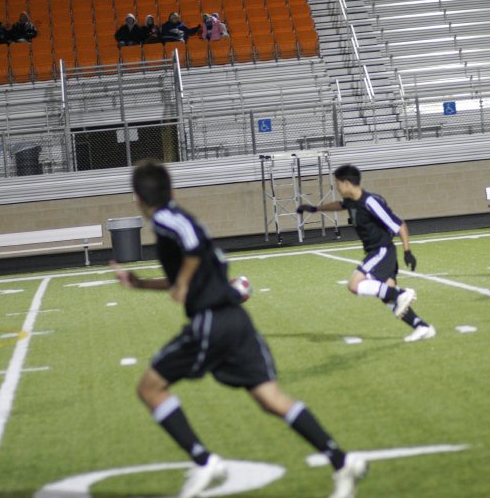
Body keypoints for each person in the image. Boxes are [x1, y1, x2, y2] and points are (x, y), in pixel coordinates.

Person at [112, 161, 366, 498]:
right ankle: (341, 460)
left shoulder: (164, 219)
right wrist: (142, 284)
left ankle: (204, 461)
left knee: (150, 388)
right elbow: (192, 262)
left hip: (211, 321)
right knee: (270, 399)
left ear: (137, 198)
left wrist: (184, 285)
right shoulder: (179, 220)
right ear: (172, 189)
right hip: (234, 319)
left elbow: (192, 252)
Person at [296, 164, 435, 342]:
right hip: (380, 252)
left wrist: (408, 251)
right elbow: (340, 205)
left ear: (346, 183)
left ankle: (402, 294)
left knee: (354, 285)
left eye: (337, 183)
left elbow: (399, 224)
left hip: (381, 251)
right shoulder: (352, 200)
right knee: (386, 295)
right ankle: (422, 327)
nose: (336, 187)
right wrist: (316, 209)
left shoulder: (370, 202)